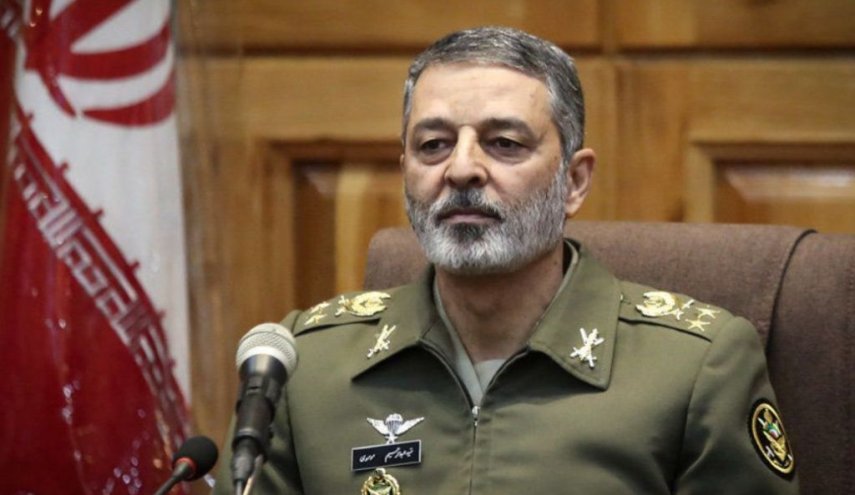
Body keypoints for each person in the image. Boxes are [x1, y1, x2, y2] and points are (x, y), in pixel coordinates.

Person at [214, 26, 798, 494]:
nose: (462, 170)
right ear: (405, 172)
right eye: (433, 145)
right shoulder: (305, 368)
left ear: (574, 181)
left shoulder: (693, 369)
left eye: (504, 144)